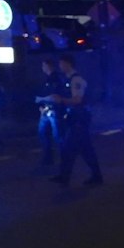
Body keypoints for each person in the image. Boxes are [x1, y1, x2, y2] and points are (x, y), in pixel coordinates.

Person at [49, 54, 101, 186]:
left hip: (79, 117)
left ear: (68, 64)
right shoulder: (69, 79)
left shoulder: (76, 80)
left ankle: (65, 177)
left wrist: (61, 100)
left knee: (69, 148)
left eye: (61, 63)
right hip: (76, 117)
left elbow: (77, 100)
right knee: (84, 148)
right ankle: (95, 176)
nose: (60, 66)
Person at [32, 58, 65, 171]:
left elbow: (54, 95)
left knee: (57, 135)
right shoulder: (48, 78)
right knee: (43, 133)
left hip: (54, 110)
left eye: (44, 66)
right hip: (46, 110)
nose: (43, 68)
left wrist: (41, 100)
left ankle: (62, 159)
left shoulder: (55, 78)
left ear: (49, 66)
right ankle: (48, 157)